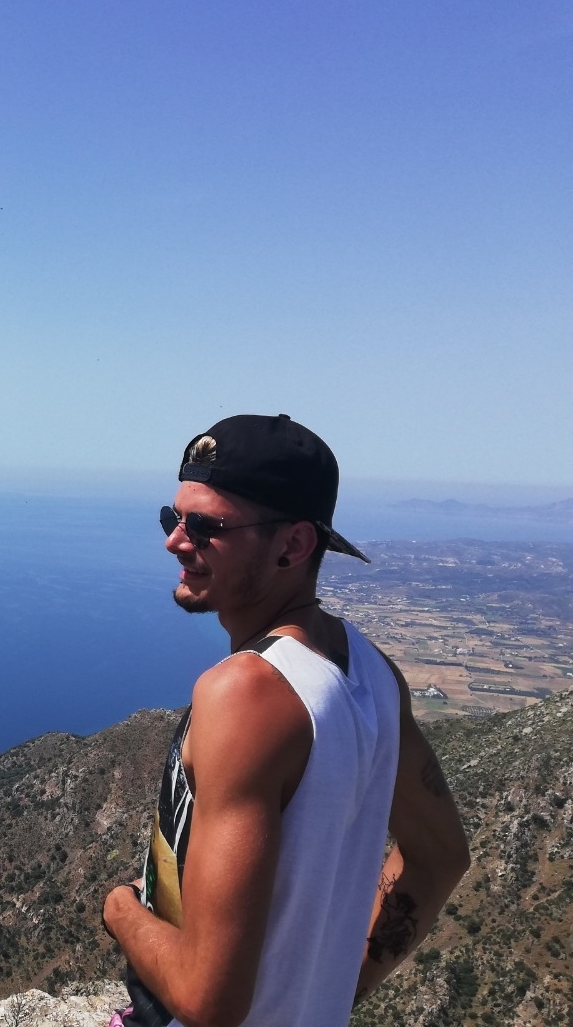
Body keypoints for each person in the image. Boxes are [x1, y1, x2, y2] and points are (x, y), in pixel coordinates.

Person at [102, 413, 470, 1027]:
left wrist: (120, 911)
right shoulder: (371, 672)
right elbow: (440, 856)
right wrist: (330, 992)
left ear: (293, 547)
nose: (175, 541)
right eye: (174, 518)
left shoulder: (244, 693)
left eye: (206, 526)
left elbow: (209, 1001)